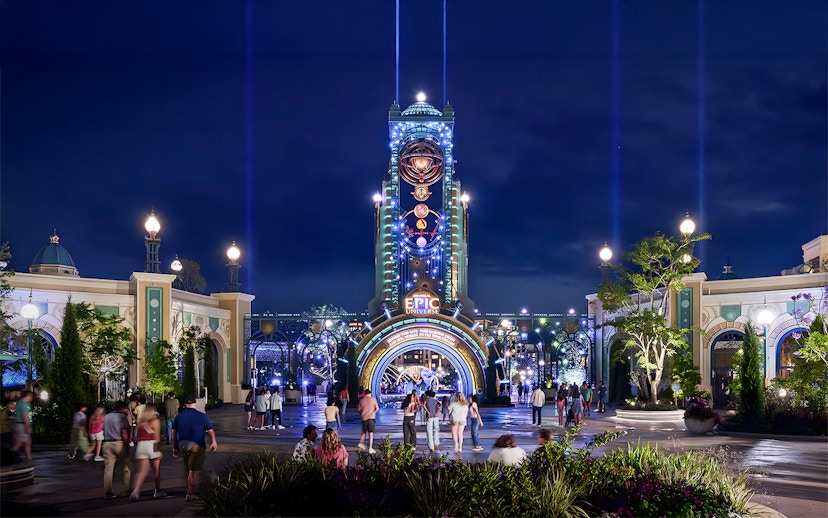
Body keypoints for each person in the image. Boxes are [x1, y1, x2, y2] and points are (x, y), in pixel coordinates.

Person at [172, 395, 218, 502]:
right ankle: (190, 493)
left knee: (188, 469)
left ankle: (189, 487)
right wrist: (214, 441)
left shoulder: (179, 416)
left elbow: (174, 431)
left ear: (185, 405)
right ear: (195, 404)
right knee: (193, 471)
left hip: (182, 444)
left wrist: (175, 447)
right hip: (196, 444)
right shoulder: (201, 416)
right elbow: (210, 430)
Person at [130, 404, 165, 501]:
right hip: (152, 445)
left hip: (141, 445)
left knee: (141, 471)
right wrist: (159, 451)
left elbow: (137, 436)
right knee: (156, 469)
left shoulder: (140, 422)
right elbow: (157, 438)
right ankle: (157, 491)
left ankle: (135, 491)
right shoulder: (155, 421)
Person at [102, 401, 132, 499]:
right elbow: (124, 433)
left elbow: (103, 430)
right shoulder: (122, 417)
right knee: (126, 468)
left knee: (108, 469)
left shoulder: (106, 417)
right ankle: (127, 489)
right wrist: (127, 446)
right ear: (122, 408)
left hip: (107, 443)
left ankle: (108, 491)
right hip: (118, 443)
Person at [11, 390, 33, 461]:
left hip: (18, 425)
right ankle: (9, 455)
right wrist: (28, 426)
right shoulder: (24, 404)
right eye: (31, 396)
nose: (31, 398)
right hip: (22, 425)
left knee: (27, 442)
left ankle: (29, 458)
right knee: (20, 442)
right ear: (28, 396)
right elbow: (24, 415)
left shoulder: (19, 403)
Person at [356, 389, 379, 454]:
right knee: (371, 433)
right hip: (371, 418)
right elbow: (377, 408)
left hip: (363, 418)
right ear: (370, 393)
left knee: (364, 432)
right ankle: (370, 448)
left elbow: (359, 409)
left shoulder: (361, 400)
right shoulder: (373, 399)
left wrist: (362, 414)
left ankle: (361, 442)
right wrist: (373, 412)